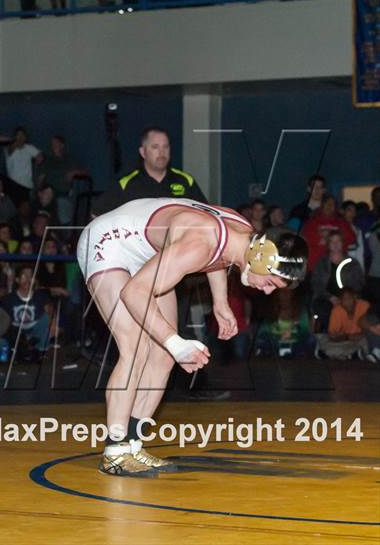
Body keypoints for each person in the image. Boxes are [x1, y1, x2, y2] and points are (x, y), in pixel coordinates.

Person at [77, 197, 308, 476]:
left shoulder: (244, 235)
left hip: (146, 252)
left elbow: (221, 255)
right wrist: (177, 344)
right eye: (271, 283)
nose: (268, 291)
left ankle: (132, 445)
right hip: (108, 242)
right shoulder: (197, 243)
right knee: (135, 348)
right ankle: (114, 453)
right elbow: (133, 293)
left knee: (162, 356)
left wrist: (220, 302)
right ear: (260, 258)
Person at [94, 127, 207, 214]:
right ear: (143, 152)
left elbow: (207, 215)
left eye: (165, 147)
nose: (161, 153)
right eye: (155, 147)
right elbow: (97, 214)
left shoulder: (186, 181)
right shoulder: (127, 184)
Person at [311, 230, 364, 331]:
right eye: (332, 241)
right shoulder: (321, 263)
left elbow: (359, 283)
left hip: (348, 298)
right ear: (328, 244)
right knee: (323, 309)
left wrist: (346, 298)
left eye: (338, 241)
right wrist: (330, 297)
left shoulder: (352, 263)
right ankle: (330, 334)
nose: (335, 244)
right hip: (326, 298)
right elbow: (316, 283)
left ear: (343, 243)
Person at [2, 265, 52, 356]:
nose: (28, 280)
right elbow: (4, 320)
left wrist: (53, 326)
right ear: (17, 280)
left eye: (31, 276)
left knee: (46, 318)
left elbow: (50, 314)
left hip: (35, 331)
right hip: (17, 333)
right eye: (24, 276)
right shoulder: (9, 298)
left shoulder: (40, 296)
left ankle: (39, 350)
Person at [38, 135, 87, 224]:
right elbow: (41, 177)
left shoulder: (68, 159)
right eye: (52, 143)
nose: (54, 145)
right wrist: (38, 190)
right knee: (45, 195)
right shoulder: (48, 160)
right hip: (48, 191)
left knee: (61, 205)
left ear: (62, 145)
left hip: (62, 192)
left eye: (56, 143)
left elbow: (85, 172)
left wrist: (74, 172)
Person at [302, 195, 355, 271]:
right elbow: (305, 239)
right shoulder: (312, 223)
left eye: (332, 204)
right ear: (322, 205)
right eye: (327, 203)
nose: (329, 206)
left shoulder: (341, 223)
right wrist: (319, 238)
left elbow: (352, 239)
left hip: (337, 265)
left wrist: (334, 236)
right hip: (316, 266)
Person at [316, 287, 370, 360]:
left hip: (359, 339)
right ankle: (351, 355)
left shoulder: (365, 306)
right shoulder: (336, 311)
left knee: (367, 342)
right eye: (344, 300)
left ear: (355, 297)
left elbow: (369, 331)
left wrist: (350, 337)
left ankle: (341, 355)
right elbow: (333, 336)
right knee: (323, 338)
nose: (347, 302)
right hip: (343, 341)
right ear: (340, 301)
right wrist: (345, 337)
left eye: (349, 298)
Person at [5, 127, 43, 206]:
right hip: (13, 183)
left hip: (26, 185)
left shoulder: (29, 147)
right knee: (12, 208)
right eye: (18, 135)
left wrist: (39, 157)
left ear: (25, 137)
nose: (20, 137)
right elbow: (11, 149)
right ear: (15, 136)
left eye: (22, 135)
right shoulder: (10, 147)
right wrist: (15, 141)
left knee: (24, 209)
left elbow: (40, 155)